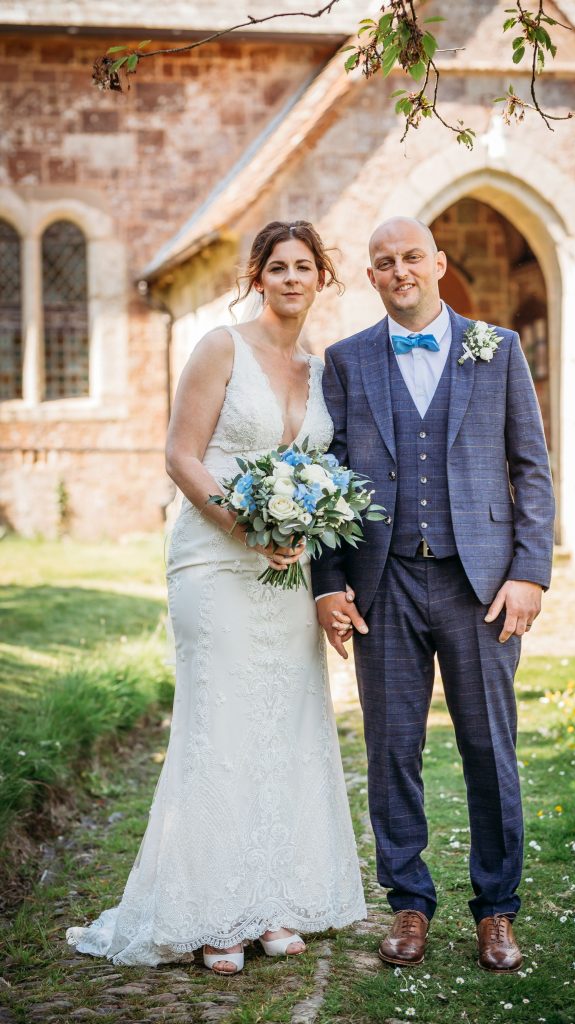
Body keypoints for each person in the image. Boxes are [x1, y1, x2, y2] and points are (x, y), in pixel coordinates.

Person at [67, 221, 366, 975]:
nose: (291, 278)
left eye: (304, 267)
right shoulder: (219, 348)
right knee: (221, 722)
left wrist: (303, 532)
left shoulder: (321, 369)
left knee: (285, 723)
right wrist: (244, 526)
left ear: (321, 279)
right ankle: (209, 913)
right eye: (278, 266)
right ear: (257, 277)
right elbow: (180, 455)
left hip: (287, 570)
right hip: (214, 559)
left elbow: (325, 471)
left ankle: (270, 901)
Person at [312, 217, 555, 973]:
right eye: (384, 262)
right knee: (391, 750)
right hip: (381, 584)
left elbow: (531, 468)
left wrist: (529, 572)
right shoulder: (345, 360)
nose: (400, 271)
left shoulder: (497, 348)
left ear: (439, 263)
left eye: (412, 257)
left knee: (489, 747)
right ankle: (408, 902)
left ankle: (497, 909)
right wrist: (328, 583)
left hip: (479, 586)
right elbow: (327, 479)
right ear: (372, 277)